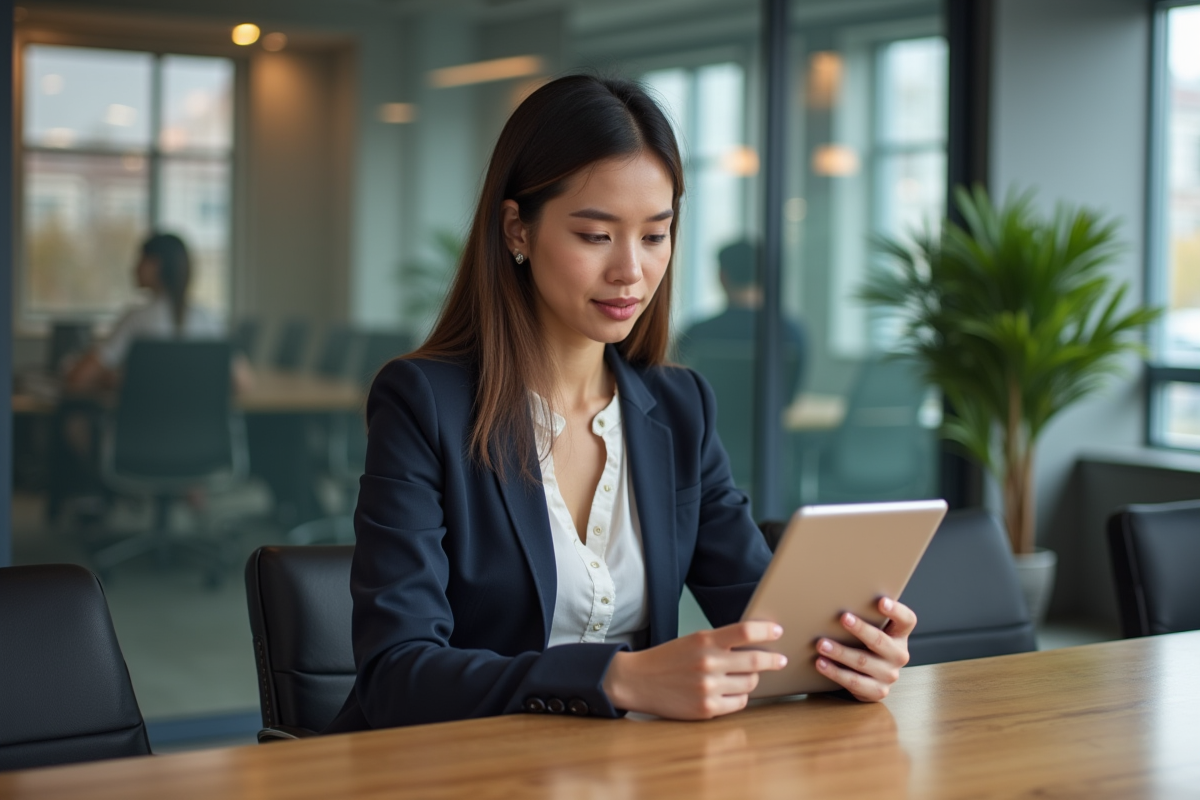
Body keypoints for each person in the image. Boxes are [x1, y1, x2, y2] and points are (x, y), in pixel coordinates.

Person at [326, 75, 916, 733]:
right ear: (517, 229)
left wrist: (847, 653)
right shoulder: (423, 404)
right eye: (595, 235)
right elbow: (396, 675)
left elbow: (768, 624)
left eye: (655, 235)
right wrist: (617, 677)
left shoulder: (679, 408)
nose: (630, 271)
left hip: (621, 770)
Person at [677, 239, 808, 489]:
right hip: (770, 456)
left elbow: (674, 394)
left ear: (722, 276)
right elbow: (789, 400)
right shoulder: (791, 333)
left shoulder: (697, 333)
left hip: (702, 456)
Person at [65, 233, 248, 392]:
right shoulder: (208, 320)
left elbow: (79, 377)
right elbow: (242, 382)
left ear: (155, 265)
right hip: (200, 432)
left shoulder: (136, 319)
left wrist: (113, 378)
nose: (133, 268)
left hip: (139, 432)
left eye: (140, 259)